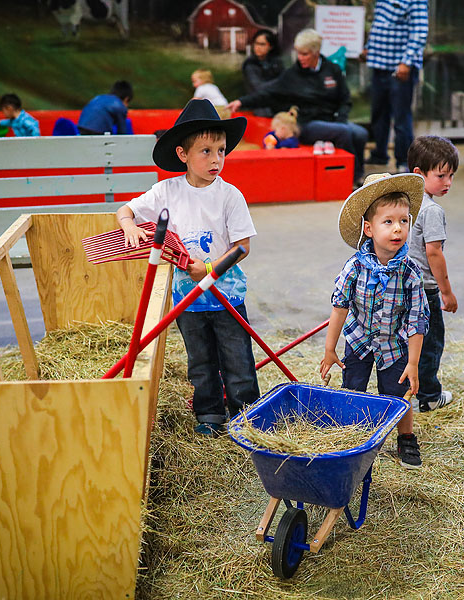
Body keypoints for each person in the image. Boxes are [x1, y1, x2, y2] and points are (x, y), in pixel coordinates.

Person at [117, 99, 260, 437]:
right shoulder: (166, 191)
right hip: (187, 298)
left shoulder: (230, 195)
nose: (216, 159)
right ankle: (209, 414)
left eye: (221, 150)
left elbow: (243, 246)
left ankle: (246, 417)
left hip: (226, 294)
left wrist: (209, 268)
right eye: (206, 151)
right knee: (200, 361)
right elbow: (126, 210)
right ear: (182, 154)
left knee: (237, 359)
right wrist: (129, 226)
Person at [319, 172, 430, 468]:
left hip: (394, 346)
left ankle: (406, 438)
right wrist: (330, 349)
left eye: (404, 221)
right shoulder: (355, 267)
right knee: (353, 388)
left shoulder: (410, 272)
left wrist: (414, 362)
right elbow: (340, 306)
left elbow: (417, 320)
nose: (398, 229)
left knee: (398, 395)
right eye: (389, 222)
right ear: (368, 228)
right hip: (358, 342)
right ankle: (355, 437)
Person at [228, 29, 368, 188]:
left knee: (361, 133)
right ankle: (350, 180)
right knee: (344, 132)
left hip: (333, 120)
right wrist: (242, 101)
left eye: (305, 54)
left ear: (316, 52)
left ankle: (358, 175)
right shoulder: (292, 75)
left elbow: (345, 100)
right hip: (306, 123)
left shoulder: (332, 70)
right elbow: (267, 93)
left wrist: (341, 118)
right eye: (298, 53)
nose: (300, 58)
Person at [407, 136, 458, 412]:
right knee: (430, 341)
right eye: (441, 175)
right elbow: (434, 253)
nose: (448, 182)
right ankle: (428, 395)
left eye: (451, 175)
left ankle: (400, 390)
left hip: (401, 285)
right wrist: (446, 292)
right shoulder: (432, 211)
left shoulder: (403, 202)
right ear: (418, 173)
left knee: (405, 341)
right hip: (425, 290)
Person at [363, 0, 429, 172]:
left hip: (399, 69)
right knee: (378, 114)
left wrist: (406, 62)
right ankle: (380, 154)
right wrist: (368, 48)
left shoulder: (416, 1)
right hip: (379, 64)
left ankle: (404, 162)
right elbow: (379, 23)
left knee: (401, 118)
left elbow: (419, 33)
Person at [240, 29, 285, 117]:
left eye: (262, 44)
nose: (258, 47)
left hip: (276, 103)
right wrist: (281, 81)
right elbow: (259, 87)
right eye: (256, 43)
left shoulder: (276, 62)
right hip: (257, 106)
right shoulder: (250, 64)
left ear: (271, 46)